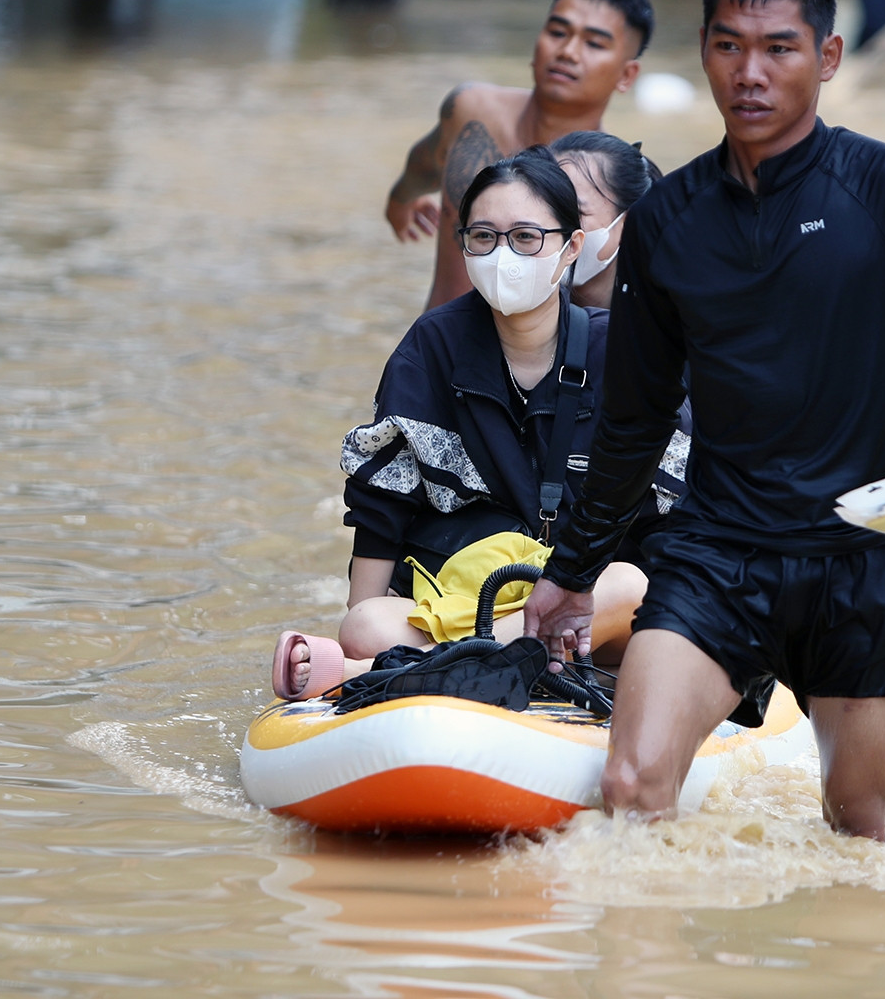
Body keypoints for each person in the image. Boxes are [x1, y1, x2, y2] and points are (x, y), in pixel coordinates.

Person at [522, 0, 885, 839]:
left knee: (862, 827)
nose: (748, 73)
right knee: (633, 788)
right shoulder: (668, 222)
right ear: (705, 51)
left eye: (779, 49)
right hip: (717, 556)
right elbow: (633, 423)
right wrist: (571, 573)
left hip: (863, 561)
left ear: (827, 57)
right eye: (727, 46)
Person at [274, 148, 688, 698]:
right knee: (366, 625)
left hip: (585, 609)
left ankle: (410, 672)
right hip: (466, 602)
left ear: (571, 248)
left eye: (525, 237)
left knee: (630, 586)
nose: (503, 255)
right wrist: (356, 632)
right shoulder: (433, 344)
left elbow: (677, 511)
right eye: (483, 237)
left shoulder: (625, 350)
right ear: (463, 244)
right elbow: (383, 503)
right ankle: (466, 663)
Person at [383, 0, 655, 310]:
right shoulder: (471, 112)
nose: (568, 52)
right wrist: (400, 200)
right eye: (558, 32)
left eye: (594, 43)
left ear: (627, 75)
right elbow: (423, 163)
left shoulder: (611, 186)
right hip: (435, 356)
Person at [545, 131, 663, 310]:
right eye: (543, 209)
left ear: (630, 223)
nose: (548, 226)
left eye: (574, 211)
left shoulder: (673, 318)